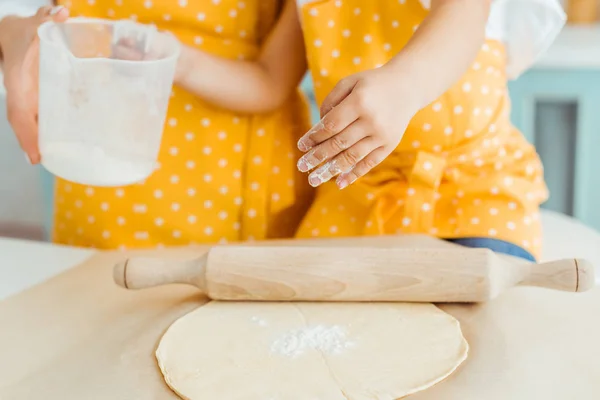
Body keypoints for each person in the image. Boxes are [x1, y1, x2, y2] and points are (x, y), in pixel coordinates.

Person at [0, 0, 314, 249]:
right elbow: (21, 13)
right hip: (92, 184)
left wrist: (178, 61)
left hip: (233, 182)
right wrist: (11, 29)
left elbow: (272, 80)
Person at [292, 0, 565, 261]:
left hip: (476, 189)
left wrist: (402, 87)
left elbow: (462, 9)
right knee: (309, 296)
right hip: (359, 194)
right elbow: (270, 76)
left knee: (479, 296)